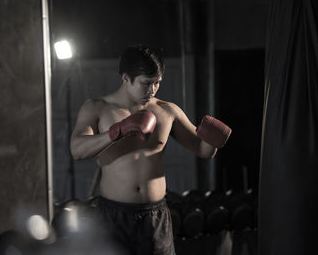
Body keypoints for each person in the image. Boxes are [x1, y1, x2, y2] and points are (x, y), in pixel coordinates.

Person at [70, 45, 232, 255]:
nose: (152, 90)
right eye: (146, 83)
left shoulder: (167, 111)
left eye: (157, 83)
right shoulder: (97, 108)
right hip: (113, 215)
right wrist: (116, 132)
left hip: (155, 216)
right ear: (126, 77)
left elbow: (203, 150)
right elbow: (77, 150)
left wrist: (213, 140)